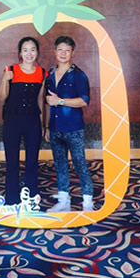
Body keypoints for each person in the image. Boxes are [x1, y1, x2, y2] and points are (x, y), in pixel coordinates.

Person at [44, 35, 94, 212]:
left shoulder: (78, 75)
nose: (63, 53)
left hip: (73, 128)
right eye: (60, 50)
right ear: (55, 51)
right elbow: (48, 103)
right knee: (60, 165)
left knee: (80, 164)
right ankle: (64, 201)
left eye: (67, 50)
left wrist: (61, 101)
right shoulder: (50, 74)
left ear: (73, 53)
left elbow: (84, 101)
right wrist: (46, 127)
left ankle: (88, 203)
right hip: (55, 128)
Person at [0, 36, 47, 205]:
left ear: (37, 52)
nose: (29, 54)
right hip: (12, 121)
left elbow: (40, 99)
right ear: (20, 53)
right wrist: (5, 79)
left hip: (32, 121)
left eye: (32, 50)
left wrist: (43, 124)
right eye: (25, 50)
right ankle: (11, 199)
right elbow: (2, 96)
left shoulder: (42, 73)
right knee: (12, 161)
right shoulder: (10, 70)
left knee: (32, 161)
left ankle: (32, 196)